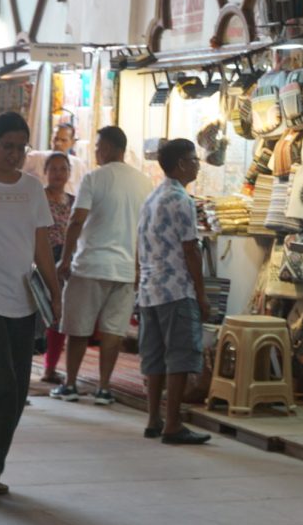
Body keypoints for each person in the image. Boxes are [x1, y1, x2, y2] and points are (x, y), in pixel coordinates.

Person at [0, 111, 61, 502]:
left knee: (17, 390)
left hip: (23, 302)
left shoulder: (32, 188)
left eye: (22, 148)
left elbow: (41, 244)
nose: (15, 155)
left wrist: (55, 290)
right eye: (8, 147)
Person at [52, 126, 152, 404]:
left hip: (91, 264)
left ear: (107, 148)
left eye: (97, 147)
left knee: (78, 328)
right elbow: (145, 229)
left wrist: (66, 256)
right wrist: (139, 265)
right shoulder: (144, 183)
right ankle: (104, 389)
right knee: (113, 331)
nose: (95, 152)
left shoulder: (93, 178)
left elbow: (76, 219)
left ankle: (70, 384)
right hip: (124, 268)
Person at [136, 139, 211, 445]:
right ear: (181, 164)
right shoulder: (182, 200)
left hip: (150, 289)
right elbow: (191, 250)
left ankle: (154, 418)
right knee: (180, 355)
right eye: (194, 159)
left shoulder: (153, 197)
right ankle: (173, 423)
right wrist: (202, 293)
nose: (197, 165)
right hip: (176, 288)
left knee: (154, 356)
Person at [40, 152, 74, 384]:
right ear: (46, 172)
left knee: (59, 315)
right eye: (53, 169)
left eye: (63, 169)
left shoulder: (74, 201)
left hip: (67, 261)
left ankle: (50, 368)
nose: (58, 174)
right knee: (41, 313)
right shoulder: (39, 198)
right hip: (44, 259)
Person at [23, 122, 87, 194]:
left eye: (63, 140)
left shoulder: (79, 166)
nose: (58, 143)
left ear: (72, 143)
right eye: (56, 139)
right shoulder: (36, 158)